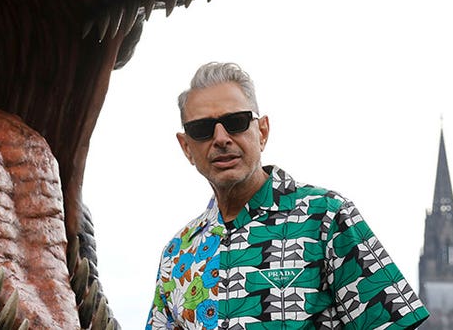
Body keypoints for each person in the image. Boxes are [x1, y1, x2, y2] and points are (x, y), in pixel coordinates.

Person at [146, 62, 428, 330]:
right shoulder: (178, 253)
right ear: (186, 147)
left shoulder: (327, 217)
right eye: (202, 129)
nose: (221, 138)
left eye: (236, 122)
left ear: (263, 131)